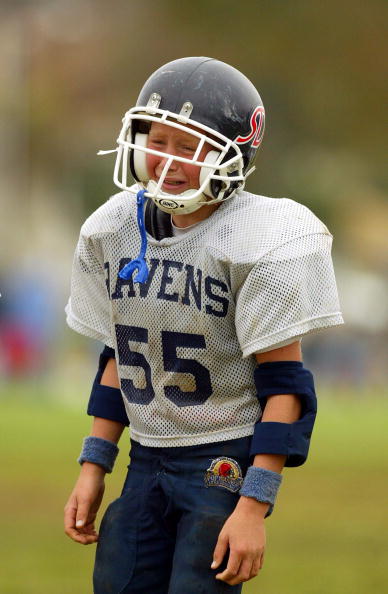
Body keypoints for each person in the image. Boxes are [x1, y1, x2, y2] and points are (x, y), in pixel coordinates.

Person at [64, 57, 343, 593]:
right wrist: (93, 464)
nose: (167, 161)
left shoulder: (265, 236)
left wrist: (255, 505)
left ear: (233, 153)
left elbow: (285, 386)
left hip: (221, 459)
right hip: (145, 458)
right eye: (158, 141)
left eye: (189, 148)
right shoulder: (114, 227)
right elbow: (119, 359)